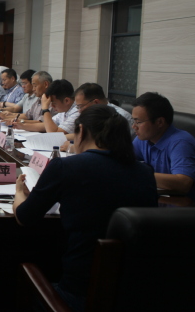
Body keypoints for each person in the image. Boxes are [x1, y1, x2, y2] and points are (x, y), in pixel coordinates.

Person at [13, 105, 157, 311]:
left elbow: (24, 217)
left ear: (81, 131)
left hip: (77, 294)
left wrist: (19, 193)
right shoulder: (145, 172)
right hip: (134, 295)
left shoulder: (65, 167)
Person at [132, 92, 195, 196]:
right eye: (133, 121)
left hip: (180, 203)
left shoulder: (181, 142)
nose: (134, 126)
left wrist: (139, 174)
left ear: (160, 122)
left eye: (138, 122)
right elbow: (123, 159)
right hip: (156, 198)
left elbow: (184, 183)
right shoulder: (143, 139)